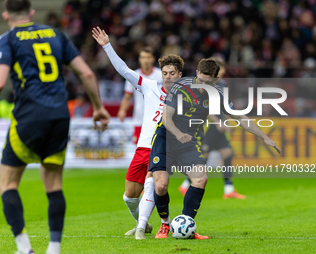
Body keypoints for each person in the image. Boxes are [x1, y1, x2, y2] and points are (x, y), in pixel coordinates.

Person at [0, 1, 110, 254]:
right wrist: (99, 107)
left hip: (29, 116)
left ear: (5, 15)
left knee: (7, 183)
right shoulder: (56, 34)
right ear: (32, 13)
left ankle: (24, 249)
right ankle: (54, 249)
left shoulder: (8, 39)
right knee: (54, 184)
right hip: (60, 116)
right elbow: (88, 75)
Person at [149, 58, 281, 239]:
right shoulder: (180, 87)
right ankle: (165, 224)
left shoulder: (217, 93)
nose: (203, 85)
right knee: (162, 184)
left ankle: (186, 225)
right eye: (201, 80)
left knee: (201, 178)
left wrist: (265, 137)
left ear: (216, 79)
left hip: (188, 142)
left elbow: (240, 117)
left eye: (208, 82)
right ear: (196, 73)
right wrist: (178, 134)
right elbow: (166, 117)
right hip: (166, 138)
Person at [92, 27, 184, 239]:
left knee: (152, 181)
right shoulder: (149, 86)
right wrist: (107, 45)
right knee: (129, 196)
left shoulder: (184, 96)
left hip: (164, 145)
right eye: (165, 73)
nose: (168, 77)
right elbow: (124, 70)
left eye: (172, 74)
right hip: (142, 145)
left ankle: (142, 228)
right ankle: (141, 222)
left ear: (179, 75)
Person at [178, 57, 246, 199]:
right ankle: (185, 185)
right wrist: (218, 122)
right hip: (209, 126)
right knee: (204, 156)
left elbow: (225, 107)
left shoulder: (224, 85)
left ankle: (229, 190)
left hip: (219, 126)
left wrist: (226, 122)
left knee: (227, 154)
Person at [117, 47, 162, 145]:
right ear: (139, 59)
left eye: (148, 57)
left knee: (156, 148)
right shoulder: (134, 76)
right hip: (139, 119)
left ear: (153, 59)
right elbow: (127, 96)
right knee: (138, 148)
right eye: (143, 57)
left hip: (157, 119)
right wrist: (122, 110)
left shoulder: (161, 75)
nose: (146, 60)